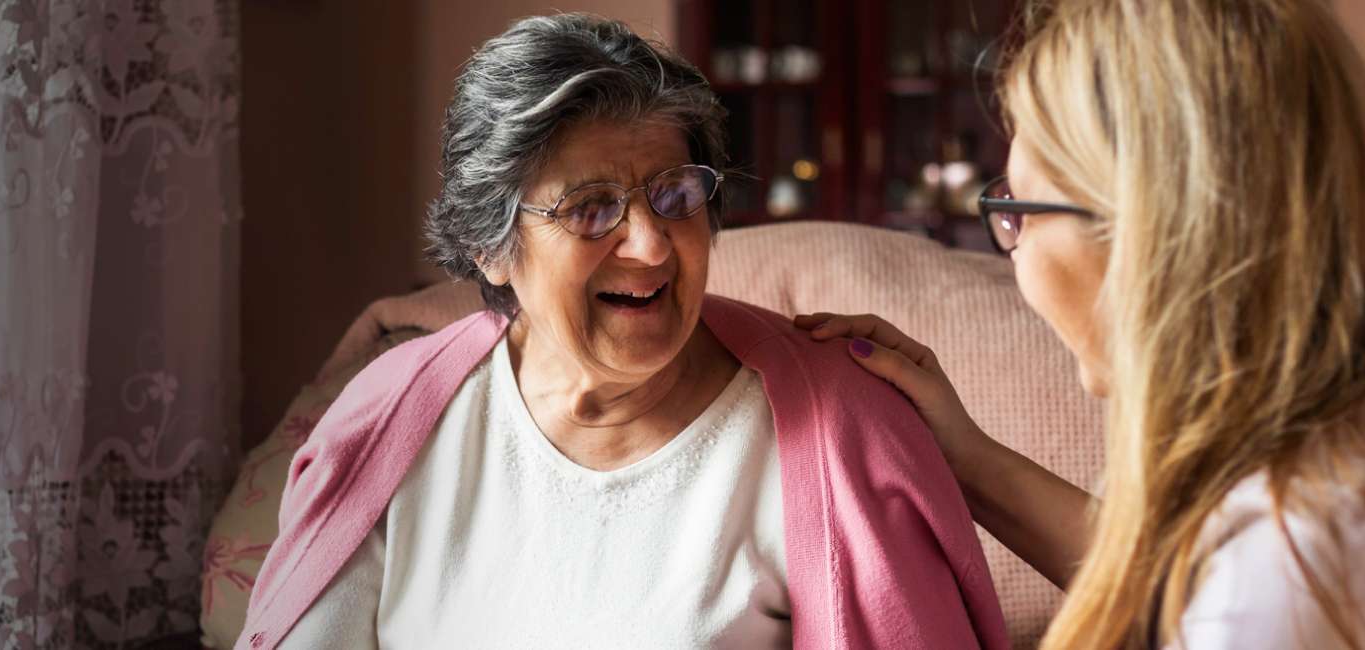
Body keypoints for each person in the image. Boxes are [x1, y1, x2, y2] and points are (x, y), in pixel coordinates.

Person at [236, 14, 1007, 650]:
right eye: (590, 207)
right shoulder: (389, 420)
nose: (651, 243)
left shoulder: (839, 430)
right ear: (490, 249)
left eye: (675, 194)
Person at [797, 0, 1365, 647]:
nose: (1013, 248)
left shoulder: (1295, 554)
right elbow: (1172, 577)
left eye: (1017, 212)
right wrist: (966, 456)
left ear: (1147, 232)